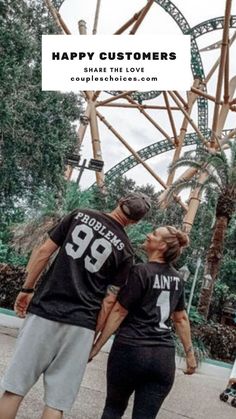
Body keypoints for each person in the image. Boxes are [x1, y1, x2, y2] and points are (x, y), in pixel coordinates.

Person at [0, 192, 151, 419]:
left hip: (45, 311)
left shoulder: (79, 215)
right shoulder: (126, 252)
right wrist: (93, 335)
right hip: (82, 324)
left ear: (120, 202)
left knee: (14, 390)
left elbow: (43, 252)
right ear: (135, 221)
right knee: (56, 402)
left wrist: (27, 289)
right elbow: (109, 299)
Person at [90, 225, 197, 419]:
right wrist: (190, 356)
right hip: (163, 358)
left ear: (162, 246)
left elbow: (119, 311)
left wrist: (96, 346)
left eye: (154, 234)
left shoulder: (140, 271)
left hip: (130, 351)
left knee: (114, 408)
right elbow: (180, 318)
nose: (149, 235)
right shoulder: (178, 279)